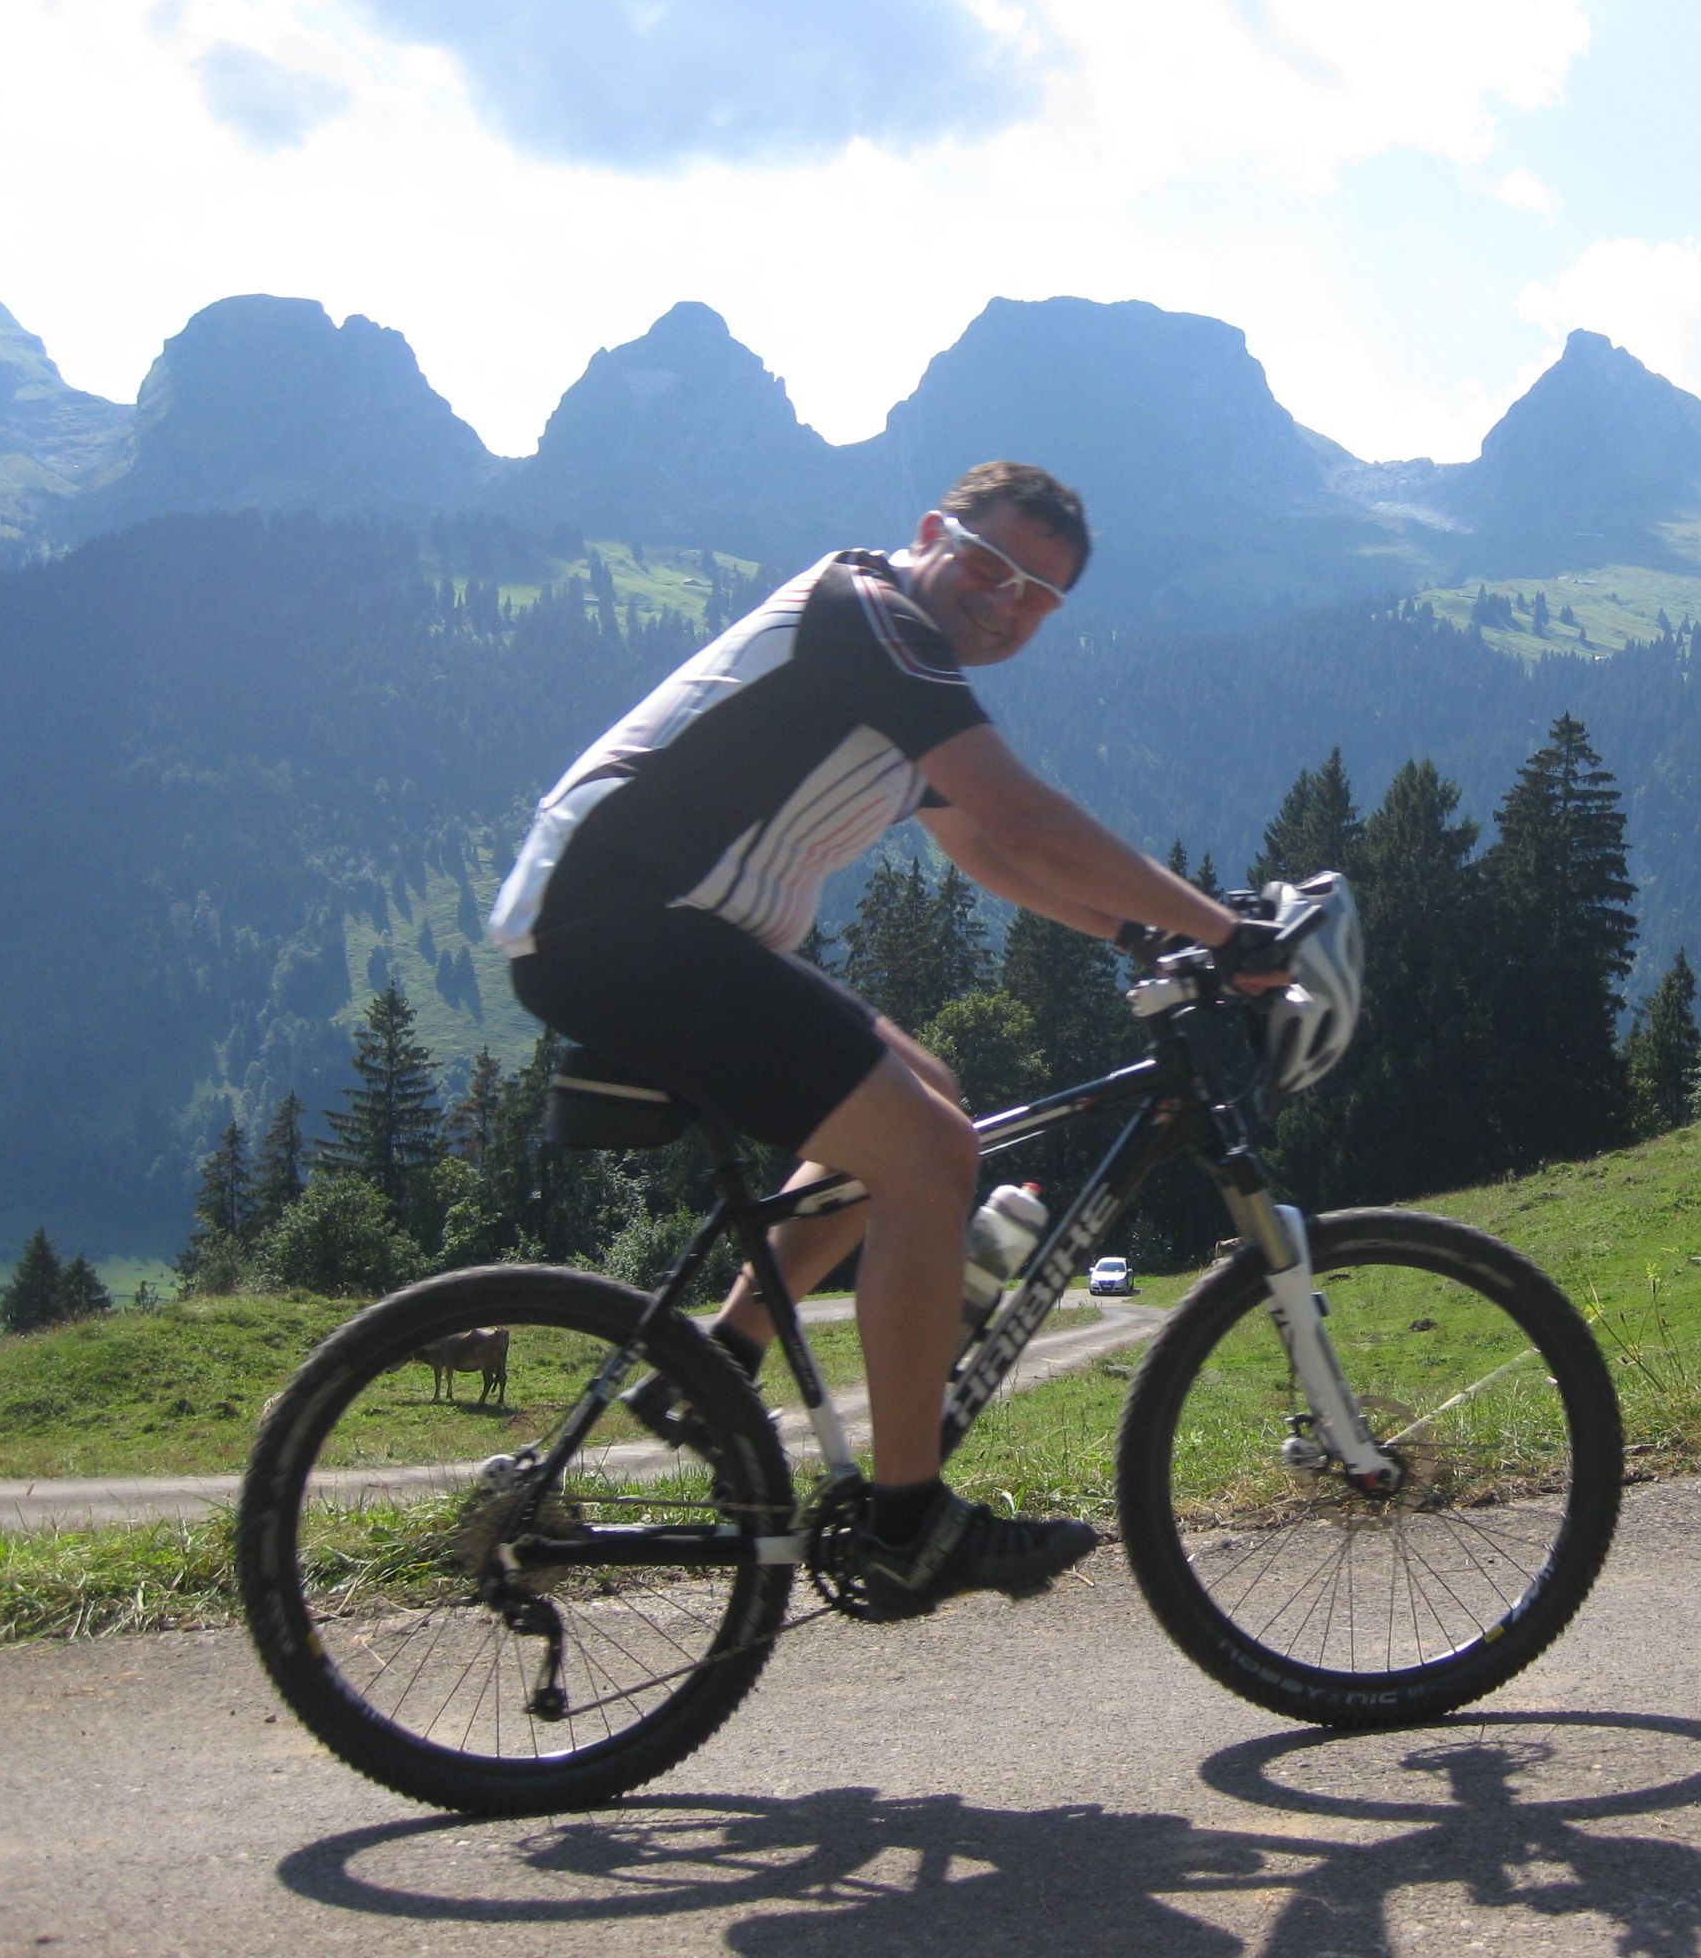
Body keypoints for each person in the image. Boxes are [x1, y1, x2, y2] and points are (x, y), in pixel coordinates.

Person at [489, 462, 1277, 1619]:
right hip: (618, 920)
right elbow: (1022, 817)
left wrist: (1140, 935)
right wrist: (1225, 931)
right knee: (929, 1156)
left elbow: (986, 852)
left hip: (662, 928)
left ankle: (716, 1367)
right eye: (989, 566)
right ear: (929, 534)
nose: (1005, 603)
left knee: (930, 1098)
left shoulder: (907, 674)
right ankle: (911, 1524)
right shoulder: (871, 620)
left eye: (1037, 596)